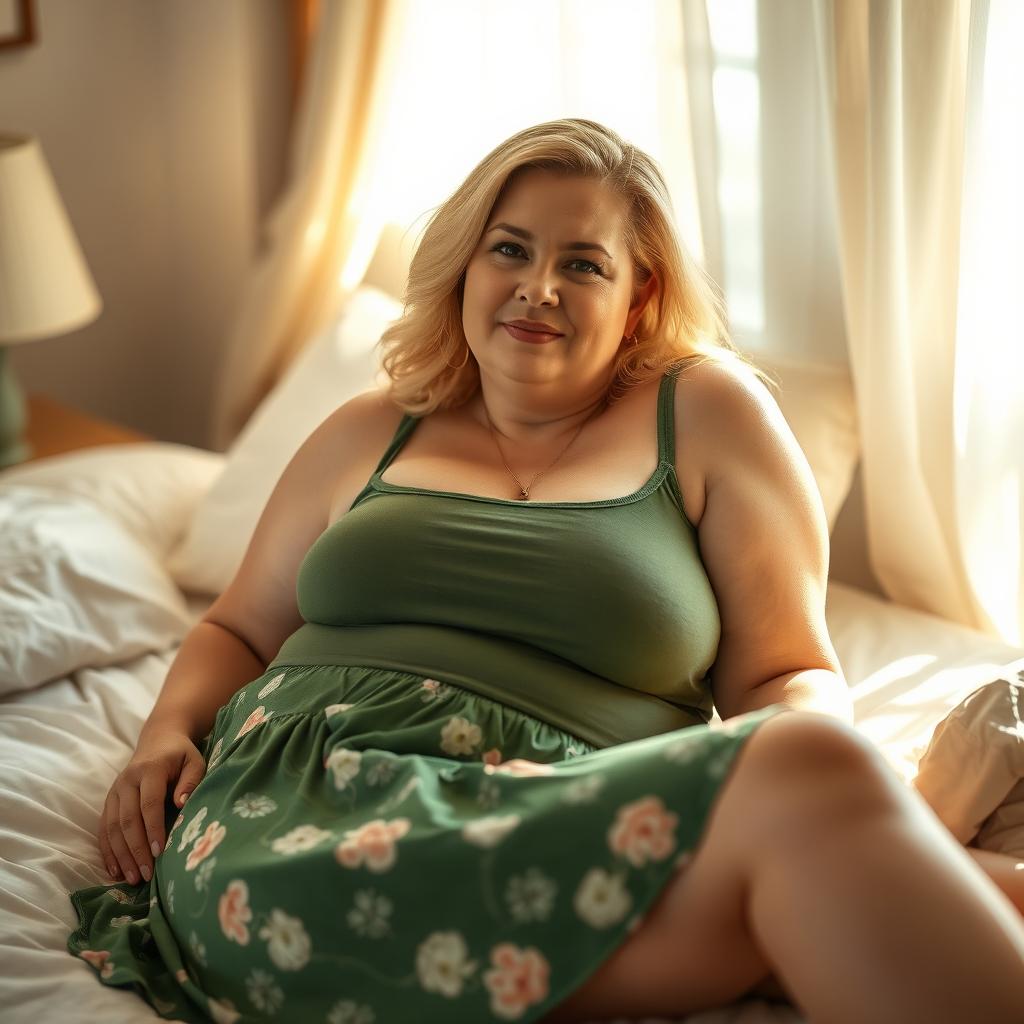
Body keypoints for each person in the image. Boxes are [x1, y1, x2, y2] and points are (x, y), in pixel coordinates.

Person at [66, 118, 1024, 1024]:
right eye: (510, 249)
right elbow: (236, 626)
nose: (539, 287)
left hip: (581, 824)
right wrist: (163, 734)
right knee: (840, 837)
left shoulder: (707, 414)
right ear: (467, 265)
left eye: (584, 264)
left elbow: (790, 673)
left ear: (638, 296)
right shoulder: (372, 426)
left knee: (814, 770)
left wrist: (717, 772)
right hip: (294, 825)